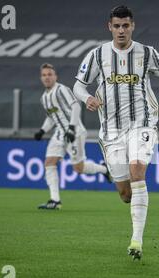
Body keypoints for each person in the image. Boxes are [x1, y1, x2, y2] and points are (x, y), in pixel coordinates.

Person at [72, 5, 159, 260]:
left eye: (126, 25)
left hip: (142, 123)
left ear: (133, 26)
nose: (121, 30)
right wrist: (87, 99)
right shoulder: (97, 55)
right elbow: (78, 86)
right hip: (111, 131)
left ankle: (136, 241)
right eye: (117, 26)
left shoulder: (147, 54)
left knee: (138, 169)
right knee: (126, 194)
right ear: (110, 27)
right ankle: (129, 205)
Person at [35, 63, 110, 210]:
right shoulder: (44, 98)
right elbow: (51, 117)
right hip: (59, 134)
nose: (47, 77)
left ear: (55, 76)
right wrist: (42, 131)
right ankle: (54, 201)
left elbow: (76, 106)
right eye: (44, 75)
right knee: (49, 162)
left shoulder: (62, 90)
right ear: (41, 78)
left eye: (50, 74)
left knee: (79, 168)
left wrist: (71, 128)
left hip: (75, 132)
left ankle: (104, 169)